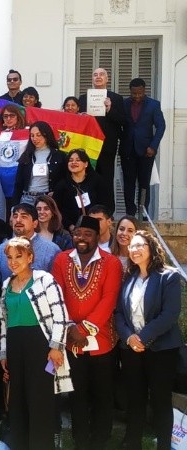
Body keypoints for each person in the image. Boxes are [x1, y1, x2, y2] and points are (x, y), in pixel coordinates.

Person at [50, 215, 123, 450]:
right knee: (77, 393)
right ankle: (81, 440)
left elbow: (109, 300)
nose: (81, 238)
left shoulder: (111, 262)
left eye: (87, 234)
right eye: (78, 234)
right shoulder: (61, 260)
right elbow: (57, 296)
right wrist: (70, 328)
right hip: (71, 340)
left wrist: (85, 329)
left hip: (102, 340)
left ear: (96, 236)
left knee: (103, 393)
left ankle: (100, 439)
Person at [0, 237, 72, 450]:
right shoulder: (6, 285)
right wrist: (4, 352)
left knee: (40, 399)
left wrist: (56, 346)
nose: (13, 261)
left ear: (30, 257)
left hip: (41, 348)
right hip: (15, 347)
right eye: (9, 257)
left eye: (18, 256)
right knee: (17, 400)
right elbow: (4, 321)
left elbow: (60, 315)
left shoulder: (44, 280)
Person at [115, 231, 183, 450]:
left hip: (161, 350)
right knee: (134, 399)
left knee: (161, 401)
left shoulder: (168, 276)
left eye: (139, 245)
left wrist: (142, 338)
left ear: (152, 247)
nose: (134, 250)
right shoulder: (129, 278)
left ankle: (164, 445)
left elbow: (170, 314)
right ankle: (132, 443)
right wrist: (129, 337)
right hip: (132, 350)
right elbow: (119, 314)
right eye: (131, 247)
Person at [78, 68, 126, 214]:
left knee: (106, 179)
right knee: (87, 179)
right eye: (95, 74)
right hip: (87, 146)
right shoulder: (83, 98)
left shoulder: (116, 98)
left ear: (107, 79)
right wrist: (81, 116)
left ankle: (107, 213)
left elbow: (123, 121)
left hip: (107, 146)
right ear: (92, 79)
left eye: (102, 74)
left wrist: (110, 109)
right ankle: (88, 211)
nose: (98, 77)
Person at [121, 78, 166, 216]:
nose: (137, 96)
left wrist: (153, 146)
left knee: (144, 184)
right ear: (130, 91)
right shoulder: (123, 104)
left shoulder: (154, 105)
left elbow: (161, 126)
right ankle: (130, 213)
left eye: (139, 93)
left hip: (146, 151)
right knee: (128, 183)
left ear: (144, 90)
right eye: (134, 93)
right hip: (127, 150)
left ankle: (143, 213)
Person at [0, 203, 61, 280]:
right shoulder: (0, 251)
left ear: (35, 223)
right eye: (15, 216)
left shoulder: (51, 250)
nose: (18, 220)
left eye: (24, 217)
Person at [12, 121, 67, 207]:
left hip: (47, 200)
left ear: (46, 135)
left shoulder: (59, 155)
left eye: (38, 135)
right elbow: (18, 183)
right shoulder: (26, 155)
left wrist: (56, 192)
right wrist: (14, 206)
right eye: (32, 135)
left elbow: (65, 179)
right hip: (27, 199)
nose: (34, 138)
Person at [53, 149, 106, 231]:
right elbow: (56, 210)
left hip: (94, 229)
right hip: (69, 230)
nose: (73, 162)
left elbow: (104, 205)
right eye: (70, 160)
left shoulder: (97, 181)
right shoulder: (61, 185)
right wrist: (70, 226)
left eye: (78, 160)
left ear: (86, 164)